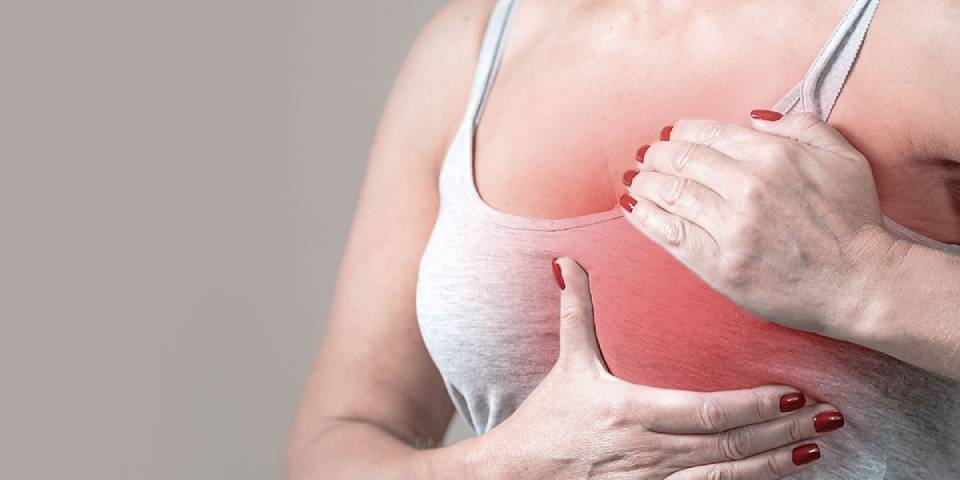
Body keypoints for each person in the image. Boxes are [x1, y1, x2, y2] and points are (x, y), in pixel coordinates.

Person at [286, 0, 960, 478]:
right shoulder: (471, 46)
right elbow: (333, 442)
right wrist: (505, 469)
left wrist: (870, 279)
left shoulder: (927, 27)